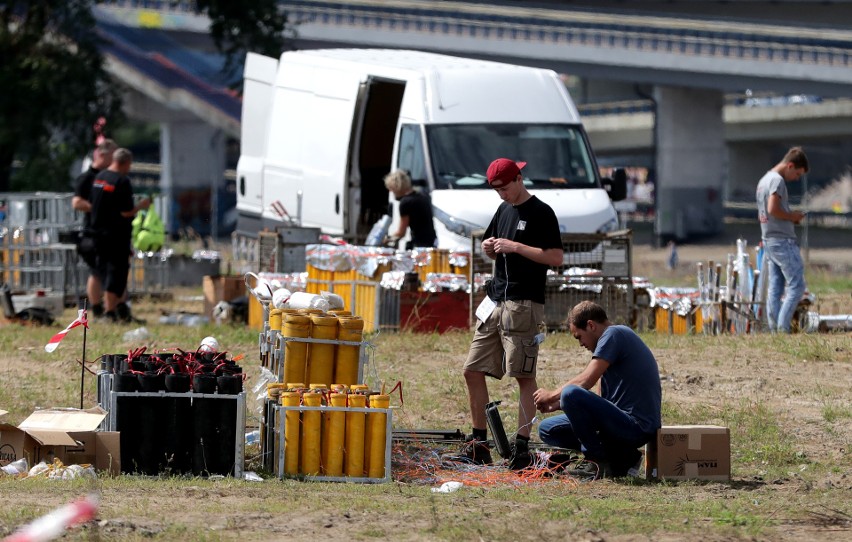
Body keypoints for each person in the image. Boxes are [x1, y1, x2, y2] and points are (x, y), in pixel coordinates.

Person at [458, 158, 563, 469]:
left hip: (523, 304)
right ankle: (479, 442)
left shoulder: (541, 212)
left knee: (523, 375)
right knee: (471, 370)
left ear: (519, 178)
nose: (500, 194)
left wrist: (517, 247)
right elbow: (491, 245)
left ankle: (521, 447)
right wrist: (489, 248)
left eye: (503, 188)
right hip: (495, 300)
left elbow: (555, 257)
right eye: (495, 190)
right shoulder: (502, 210)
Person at [534, 301, 661, 479]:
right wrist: (559, 404)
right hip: (620, 422)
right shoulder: (612, 344)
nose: (580, 344)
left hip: (636, 427)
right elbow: (601, 402)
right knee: (547, 428)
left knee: (571, 393)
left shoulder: (614, 334)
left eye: (579, 337)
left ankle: (596, 461)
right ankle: (622, 458)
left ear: (591, 325)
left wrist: (552, 395)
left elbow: (586, 380)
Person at [88, 148, 150, 322]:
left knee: (102, 272)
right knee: (116, 274)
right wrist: (142, 205)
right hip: (116, 236)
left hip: (97, 233)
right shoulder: (122, 181)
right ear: (125, 163)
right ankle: (110, 312)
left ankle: (107, 311)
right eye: (129, 165)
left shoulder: (99, 178)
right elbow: (127, 211)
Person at [756, 146, 809, 333]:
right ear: (790, 165)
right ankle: (782, 328)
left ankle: (774, 329)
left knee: (776, 287)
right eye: (797, 173)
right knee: (797, 285)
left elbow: (764, 213)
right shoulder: (777, 181)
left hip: (769, 239)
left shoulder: (764, 180)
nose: (796, 178)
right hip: (782, 240)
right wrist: (792, 216)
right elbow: (773, 209)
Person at [72, 138, 118, 317]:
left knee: (110, 271)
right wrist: (95, 207)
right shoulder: (87, 177)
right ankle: (97, 308)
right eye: (113, 156)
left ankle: (115, 308)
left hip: (109, 231)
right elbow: (76, 202)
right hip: (93, 232)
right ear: (103, 154)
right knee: (97, 271)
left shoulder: (110, 176)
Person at [383, 169, 437, 249]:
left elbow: (401, 233)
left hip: (420, 244)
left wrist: (387, 239)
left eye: (392, 189)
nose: (391, 191)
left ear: (397, 187)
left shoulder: (406, 203)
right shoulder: (422, 196)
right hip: (432, 241)